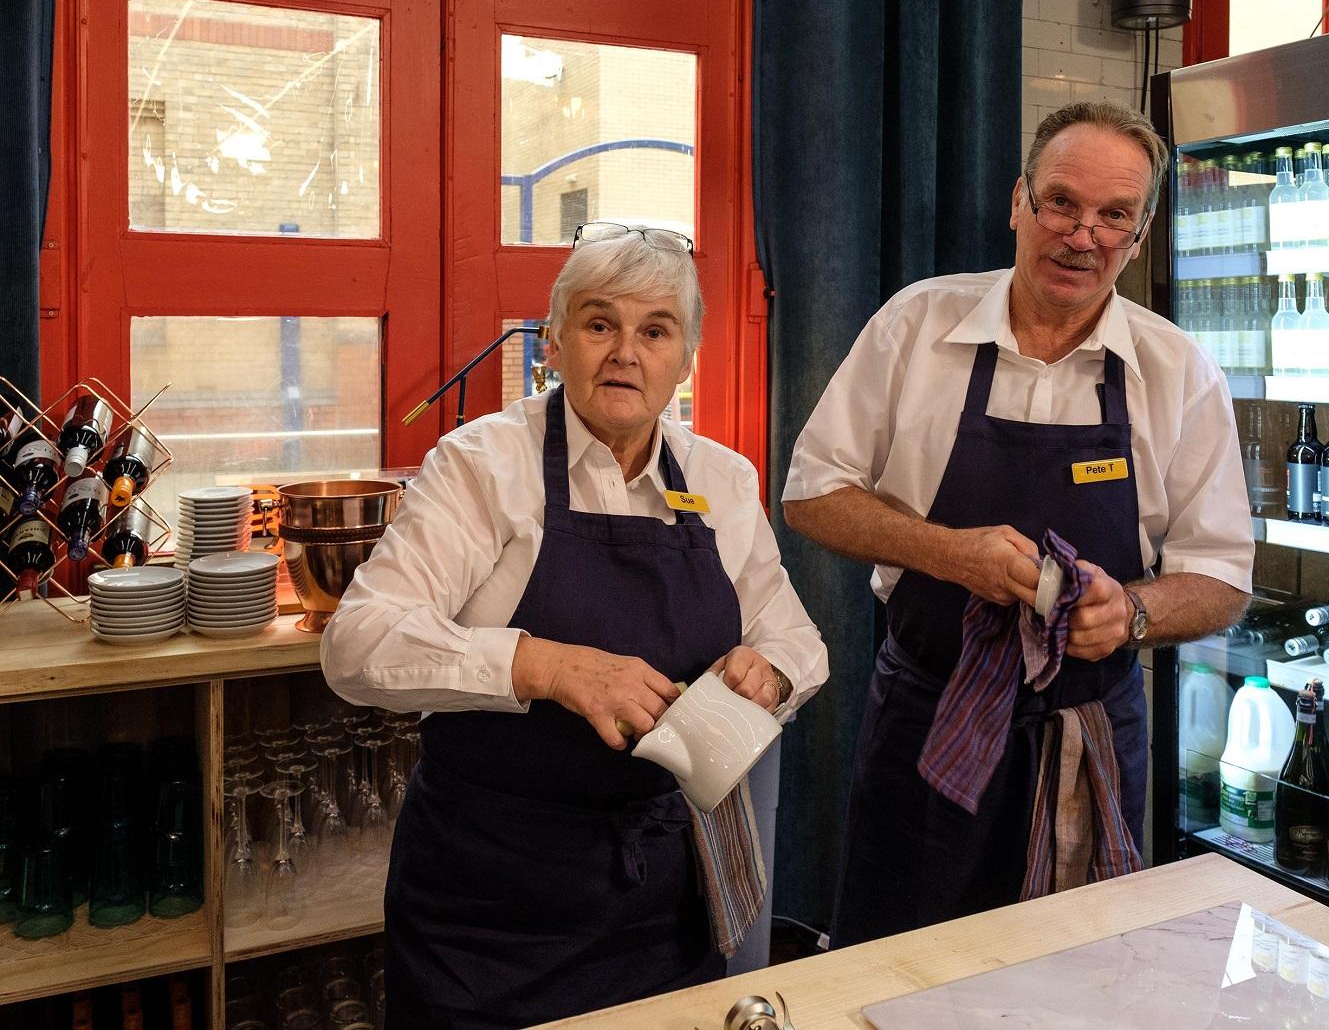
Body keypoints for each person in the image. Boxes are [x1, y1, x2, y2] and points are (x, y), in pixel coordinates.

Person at [322, 222, 828, 1029]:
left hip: (662, 903)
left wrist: (769, 674)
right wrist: (545, 666)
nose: (626, 352)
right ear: (553, 344)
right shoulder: (482, 465)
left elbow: (798, 641)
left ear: (685, 358)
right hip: (487, 914)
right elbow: (357, 643)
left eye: (655, 331)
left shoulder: (721, 481)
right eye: (600, 324)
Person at [782, 102, 1254, 946]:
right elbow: (812, 492)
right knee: (899, 967)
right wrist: (945, 552)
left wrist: (1135, 613)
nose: (1084, 235)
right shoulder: (915, 327)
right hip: (927, 726)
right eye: (1062, 203)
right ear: (1018, 202)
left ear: (1139, 236)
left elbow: (1220, 578)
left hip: (1087, 736)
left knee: (1074, 980)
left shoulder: (1177, 373)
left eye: (1115, 216)